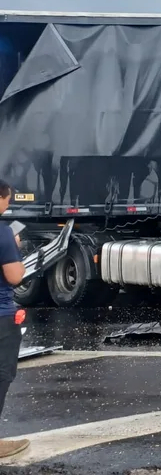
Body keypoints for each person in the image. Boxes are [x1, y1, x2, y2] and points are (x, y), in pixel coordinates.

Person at [0, 180, 28, 457]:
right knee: (1, 375)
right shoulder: (3, 233)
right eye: (7, 200)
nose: (8, 206)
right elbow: (15, 276)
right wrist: (14, 247)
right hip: (0, 317)